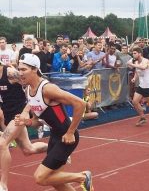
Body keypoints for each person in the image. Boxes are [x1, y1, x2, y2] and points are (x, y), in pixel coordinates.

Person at [16, 53, 93, 191]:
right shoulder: (28, 89)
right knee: (56, 180)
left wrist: (70, 132)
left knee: (40, 177)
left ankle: (82, 177)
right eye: (19, 69)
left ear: (35, 69)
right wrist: (26, 122)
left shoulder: (47, 88)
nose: (19, 73)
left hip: (67, 138)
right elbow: (38, 121)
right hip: (55, 137)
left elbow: (80, 104)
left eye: (23, 69)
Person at [0, 61, 48, 191]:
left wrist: (28, 110)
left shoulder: (10, 73)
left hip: (19, 115)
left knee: (2, 144)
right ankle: (54, 148)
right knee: (28, 150)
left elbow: (34, 84)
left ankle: (3, 185)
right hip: (8, 115)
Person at [127, 47, 149, 127]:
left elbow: (143, 67)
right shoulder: (135, 62)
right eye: (133, 53)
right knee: (134, 101)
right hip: (141, 85)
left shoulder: (146, 61)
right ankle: (143, 117)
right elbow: (137, 71)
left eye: (135, 53)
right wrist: (135, 78)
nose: (133, 55)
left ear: (140, 54)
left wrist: (132, 64)